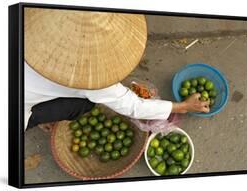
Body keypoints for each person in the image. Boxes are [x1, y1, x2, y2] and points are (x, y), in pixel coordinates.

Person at [24, 8, 209, 131]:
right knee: (85, 104)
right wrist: (184, 106)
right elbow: (134, 106)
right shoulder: (89, 78)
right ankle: (37, 118)